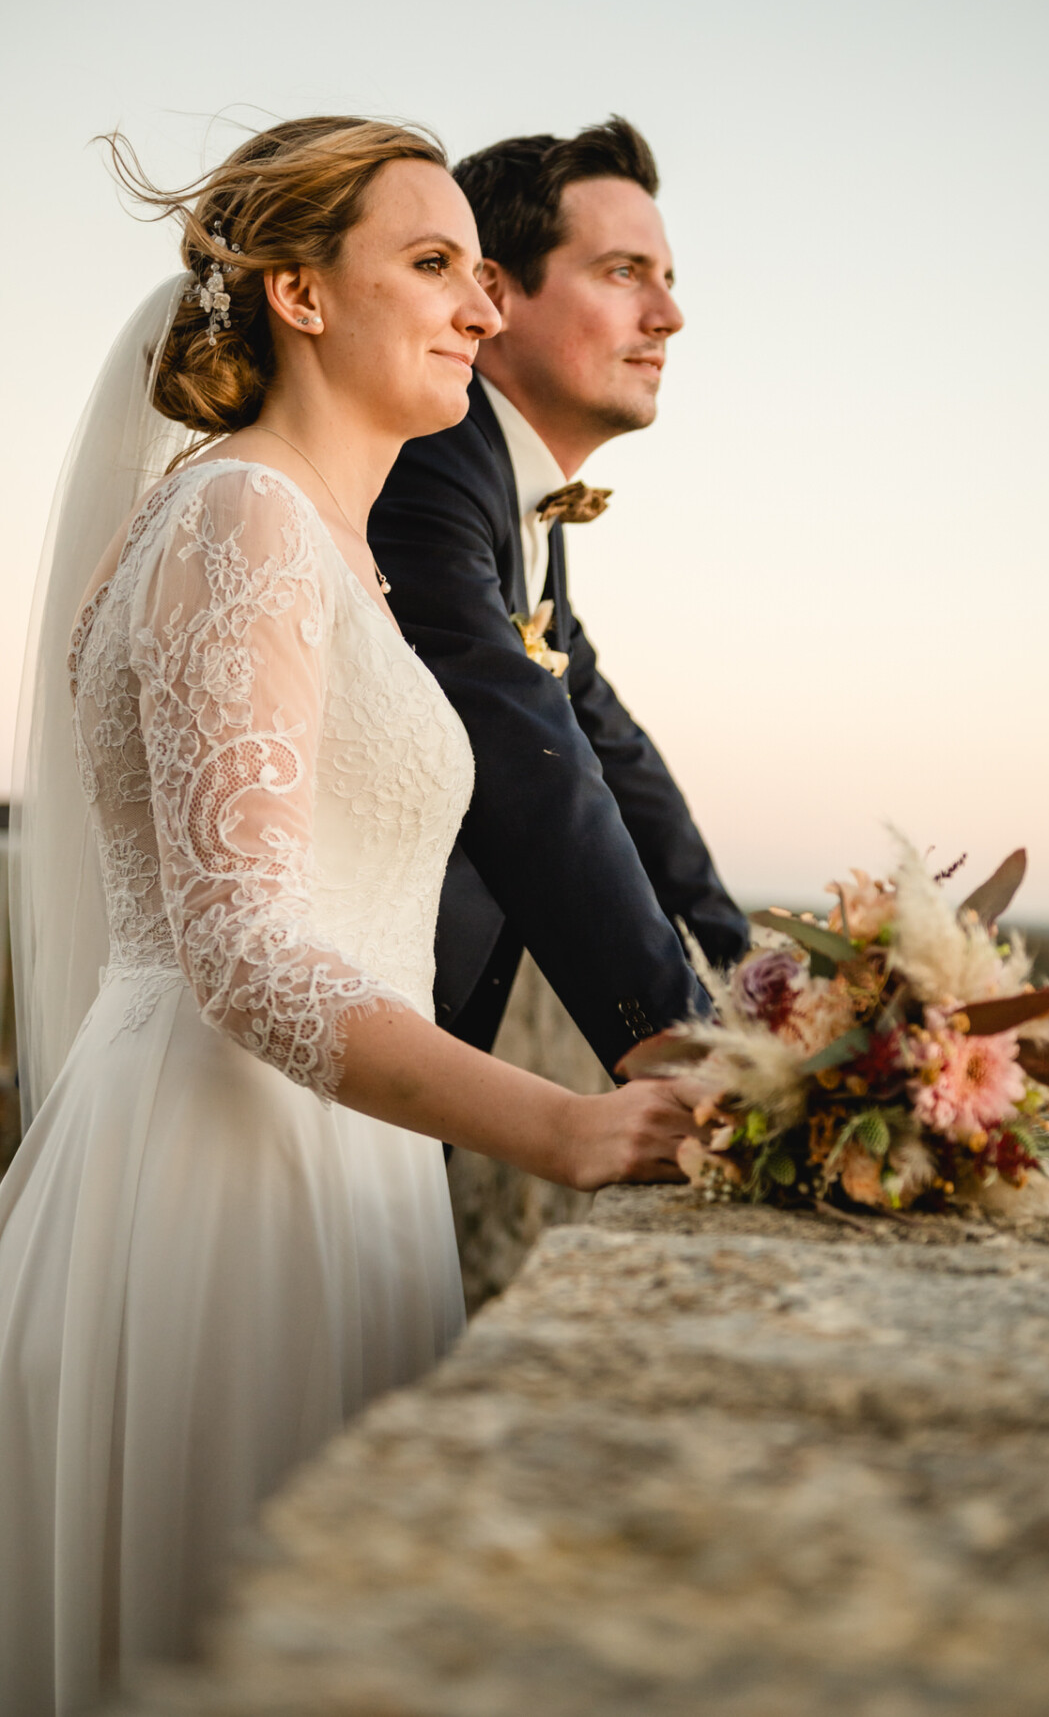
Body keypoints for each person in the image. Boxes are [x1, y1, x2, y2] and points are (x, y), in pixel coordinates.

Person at [0, 116, 698, 1717]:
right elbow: (244, 947)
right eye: (435, 264)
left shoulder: (326, 543)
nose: (482, 307)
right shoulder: (241, 517)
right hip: (223, 1177)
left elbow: (604, 772)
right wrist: (574, 1129)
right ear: (301, 295)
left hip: (338, 1155)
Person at [370, 118, 748, 1075]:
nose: (668, 315)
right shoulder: (427, 472)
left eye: (667, 280)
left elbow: (604, 739)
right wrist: (680, 1047)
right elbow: (528, 761)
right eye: (624, 273)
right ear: (493, 295)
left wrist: (751, 973)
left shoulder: (515, 489)